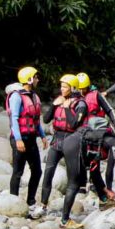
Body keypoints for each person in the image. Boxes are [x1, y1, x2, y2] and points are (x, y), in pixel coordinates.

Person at [59, 119, 115, 229]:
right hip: (74, 145)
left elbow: (94, 172)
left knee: (87, 176)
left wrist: (105, 193)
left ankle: (104, 201)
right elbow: (109, 170)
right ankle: (64, 221)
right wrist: (110, 189)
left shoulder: (100, 143)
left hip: (71, 142)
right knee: (74, 184)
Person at [39, 74, 88, 214]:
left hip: (71, 141)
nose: (62, 89)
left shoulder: (81, 104)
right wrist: (54, 106)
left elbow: (74, 123)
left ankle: (66, 214)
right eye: (61, 86)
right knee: (48, 172)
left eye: (65, 87)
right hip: (57, 140)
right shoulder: (59, 100)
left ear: (73, 88)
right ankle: (43, 205)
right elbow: (47, 119)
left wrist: (66, 108)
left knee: (72, 178)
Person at [8, 66, 48, 210]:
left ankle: (30, 201)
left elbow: (35, 120)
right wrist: (18, 139)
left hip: (31, 139)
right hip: (19, 139)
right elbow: (14, 119)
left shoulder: (34, 96)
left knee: (37, 170)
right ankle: (13, 201)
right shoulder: (16, 97)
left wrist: (43, 136)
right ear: (29, 79)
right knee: (18, 172)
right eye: (36, 77)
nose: (37, 79)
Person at [78, 72, 115, 190]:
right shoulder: (74, 96)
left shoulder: (96, 95)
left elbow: (109, 110)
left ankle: (93, 181)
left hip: (97, 130)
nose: (81, 91)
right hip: (82, 129)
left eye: (83, 89)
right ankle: (82, 182)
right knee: (81, 155)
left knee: (95, 153)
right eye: (79, 89)